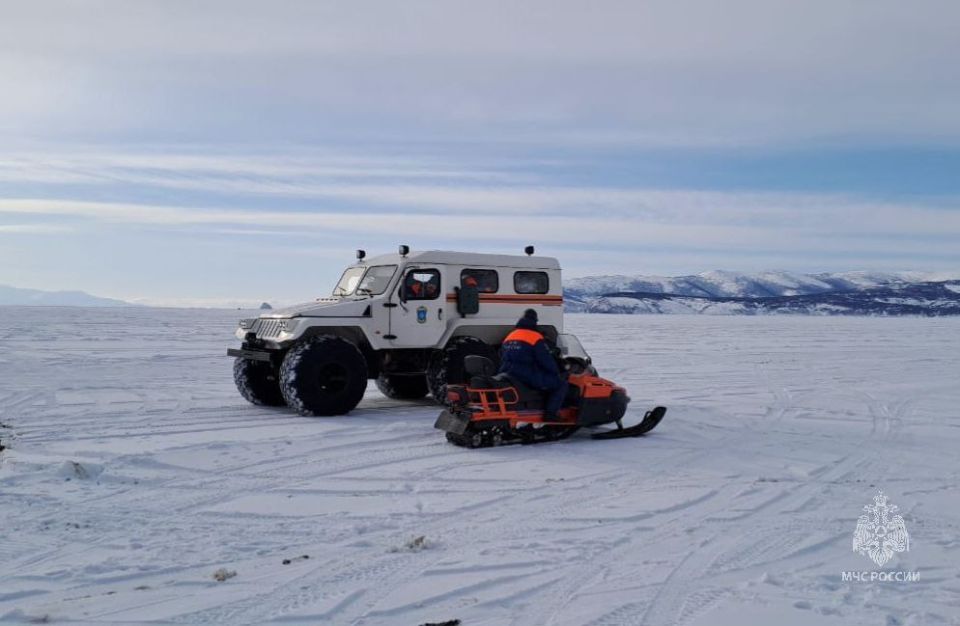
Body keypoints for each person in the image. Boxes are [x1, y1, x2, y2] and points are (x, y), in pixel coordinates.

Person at [499, 309, 568, 420]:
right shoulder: (535, 337)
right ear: (534, 321)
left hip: (507, 372)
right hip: (526, 375)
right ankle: (551, 414)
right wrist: (557, 372)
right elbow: (545, 360)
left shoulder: (511, 335)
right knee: (560, 384)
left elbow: (501, 355)